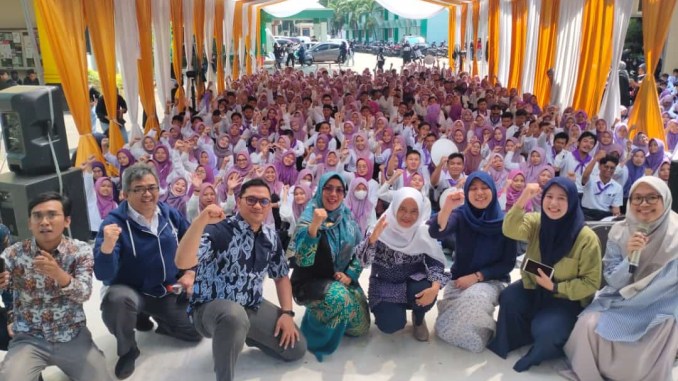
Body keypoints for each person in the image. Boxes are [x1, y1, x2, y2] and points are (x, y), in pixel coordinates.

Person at [175, 178, 306, 381]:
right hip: (210, 309)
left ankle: (246, 334)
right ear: (238, 201)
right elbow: (183, 261)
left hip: (250, 305)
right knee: (233, 316)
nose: (257, 205)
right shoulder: (218, 230)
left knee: (295, 349)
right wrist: (200, 221)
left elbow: (281, 276)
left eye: (263, 201)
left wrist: (287, 313)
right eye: (251, 199)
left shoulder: (270, 237)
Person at [564, 176, 678, 381]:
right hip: (620, 298)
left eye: (652, 197)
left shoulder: (676, 232)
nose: (643, 204)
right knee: (587, 325)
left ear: (665, 199)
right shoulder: (619, 231)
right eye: (637, 198)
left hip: (661, 302)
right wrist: (629, 258)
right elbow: (613, 281)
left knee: (661, 328)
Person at [93, 164, 201, 379]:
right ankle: (128, 349)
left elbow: (193, 242)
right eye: (138, 189)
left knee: (195, 332)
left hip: (165, 289)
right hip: (130, 290)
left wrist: (190, 272)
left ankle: (156, 316)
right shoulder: (113, 223)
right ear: (124, 193)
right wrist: (106, 247)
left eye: (152, 187)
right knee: (117, 301)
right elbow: (103, 274)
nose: (147, 194)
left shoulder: (169, 214)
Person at [488, 178, 602, 372]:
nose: (553, 203)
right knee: (509, 297)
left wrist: (555, 287)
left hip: (565, 299)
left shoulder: (586, 238)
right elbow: (509, 229)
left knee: (548, 330)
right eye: (549, 196)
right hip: (534, 287)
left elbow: (591, 282)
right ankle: (517, 338)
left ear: (572, 201)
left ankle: (546, 345)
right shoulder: (537, 222)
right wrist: (523, 197)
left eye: (561, 198)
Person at [0, 192, 112, 380]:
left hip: (71, 335)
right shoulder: (14, 253)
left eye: (52, 215)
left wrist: (59, 275)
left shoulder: (80, 251)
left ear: (67, 221)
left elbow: (84, 293)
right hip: (29, 338)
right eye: (37, 216)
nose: (44, 222)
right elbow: (4, 278)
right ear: (29, 223)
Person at [429, 172, 517, 352]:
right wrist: (447, 207)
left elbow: (507, 263)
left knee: (474, 300)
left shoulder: (505, 222)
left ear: (493, 190)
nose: (479, 192)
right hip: (460, 280)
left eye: (484, 187)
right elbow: (436, 232)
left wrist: (477, 277)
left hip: (491, 280)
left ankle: (483, 330)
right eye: (474, 188)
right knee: (447, 327)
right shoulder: (462, 215)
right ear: (467, 192)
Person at [290, 172, 370, 361]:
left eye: (339, 190)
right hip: (310, 283)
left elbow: (359, 252)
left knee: (361, 328)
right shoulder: (308, 218)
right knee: (338, 298)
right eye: (328, 188)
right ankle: (315, 333)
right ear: (320, 190)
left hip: (341, 279)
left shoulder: (347, 218)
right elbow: (301, 260)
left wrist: (349, 275)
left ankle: (325, 312)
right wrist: (314, 228)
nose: (333, 194)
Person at [355, 187, 448, 341]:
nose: (407, 216)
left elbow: (435, 261)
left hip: (414, 281)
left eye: (414, 211)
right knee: (390, 325)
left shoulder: (422, 231)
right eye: (402, 209)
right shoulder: (380, 228)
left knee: (426, 289)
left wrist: (435, 288)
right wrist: (372, 240)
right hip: (385, 283)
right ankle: (395, 312)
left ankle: (418, 319)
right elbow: (362, 261)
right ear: (395, 207)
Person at [581, 153, 623, 220]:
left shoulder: (617, 187)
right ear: (599, 166)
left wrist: (617, 215)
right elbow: (585, 175)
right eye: (606, 167)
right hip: (587, 213)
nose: (609, 170)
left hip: (605, 215)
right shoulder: (591, 180)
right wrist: (595, 159)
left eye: (612, 168)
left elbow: (616, 208)